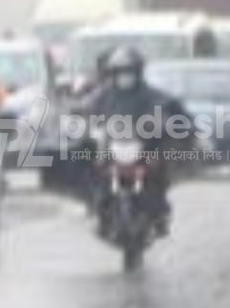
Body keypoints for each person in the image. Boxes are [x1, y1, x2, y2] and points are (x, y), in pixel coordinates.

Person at [74, 45, 193, 232]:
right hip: (113, 146)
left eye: (129, 72)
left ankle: (159, 210)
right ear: (112, 74)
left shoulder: (151, 94)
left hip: (143, 147)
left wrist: (175, 124)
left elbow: (174, 108)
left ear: (138, 72)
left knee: (158, 165)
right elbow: (85, 108)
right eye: (120, 72)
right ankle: (99, 207)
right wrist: (80, 123)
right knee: (92, 164)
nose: (125, 76)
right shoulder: (104, 95)